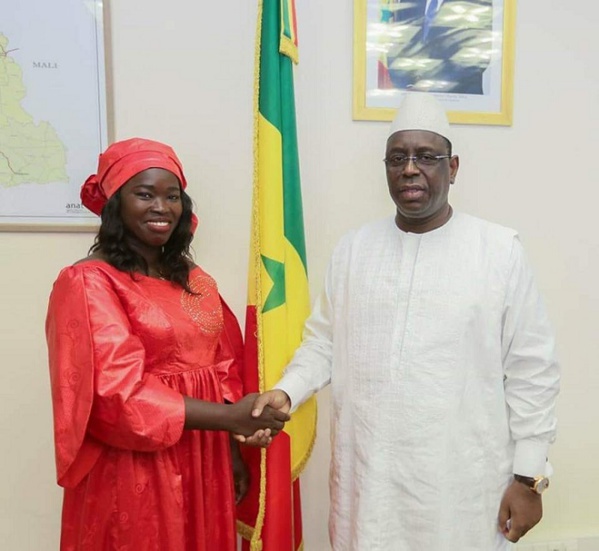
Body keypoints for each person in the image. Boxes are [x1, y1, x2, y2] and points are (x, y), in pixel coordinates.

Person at [248, 93, 560, 550]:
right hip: (368, 484)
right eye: (397, 158)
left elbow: (533, 371)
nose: (410, 168)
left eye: (426, 157)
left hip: (460, 490)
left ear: (453, 168)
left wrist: (529, 478)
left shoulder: (498, 251)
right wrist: (288, 390)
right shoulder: (354, 250)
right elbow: (324, 343)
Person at [45, 138, 289, 551]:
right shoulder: (89, 282)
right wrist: (230, 419)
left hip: (206, 458)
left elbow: (223, 362)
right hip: (135, 466)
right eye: (145, 194)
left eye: (172, 196)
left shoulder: (192, 277)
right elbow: (116, 395)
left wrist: (232, 451)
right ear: (115, 205)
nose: (161, 207)